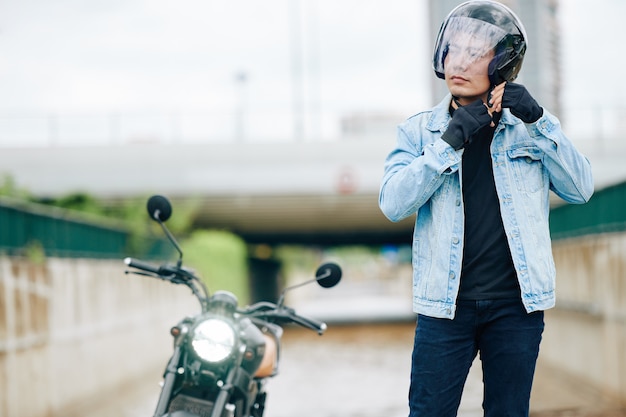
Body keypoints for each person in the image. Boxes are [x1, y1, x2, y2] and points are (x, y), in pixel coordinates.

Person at [378, 1, 594, 416]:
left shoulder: (530, 129)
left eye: (475, 54)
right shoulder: (419, 130)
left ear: (503, 64)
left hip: (516, 307)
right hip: (444, 307)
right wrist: (449, 142)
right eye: (453, 50)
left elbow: (581, 189)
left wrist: (539, 120)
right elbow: (393, 204)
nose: (459, 63)